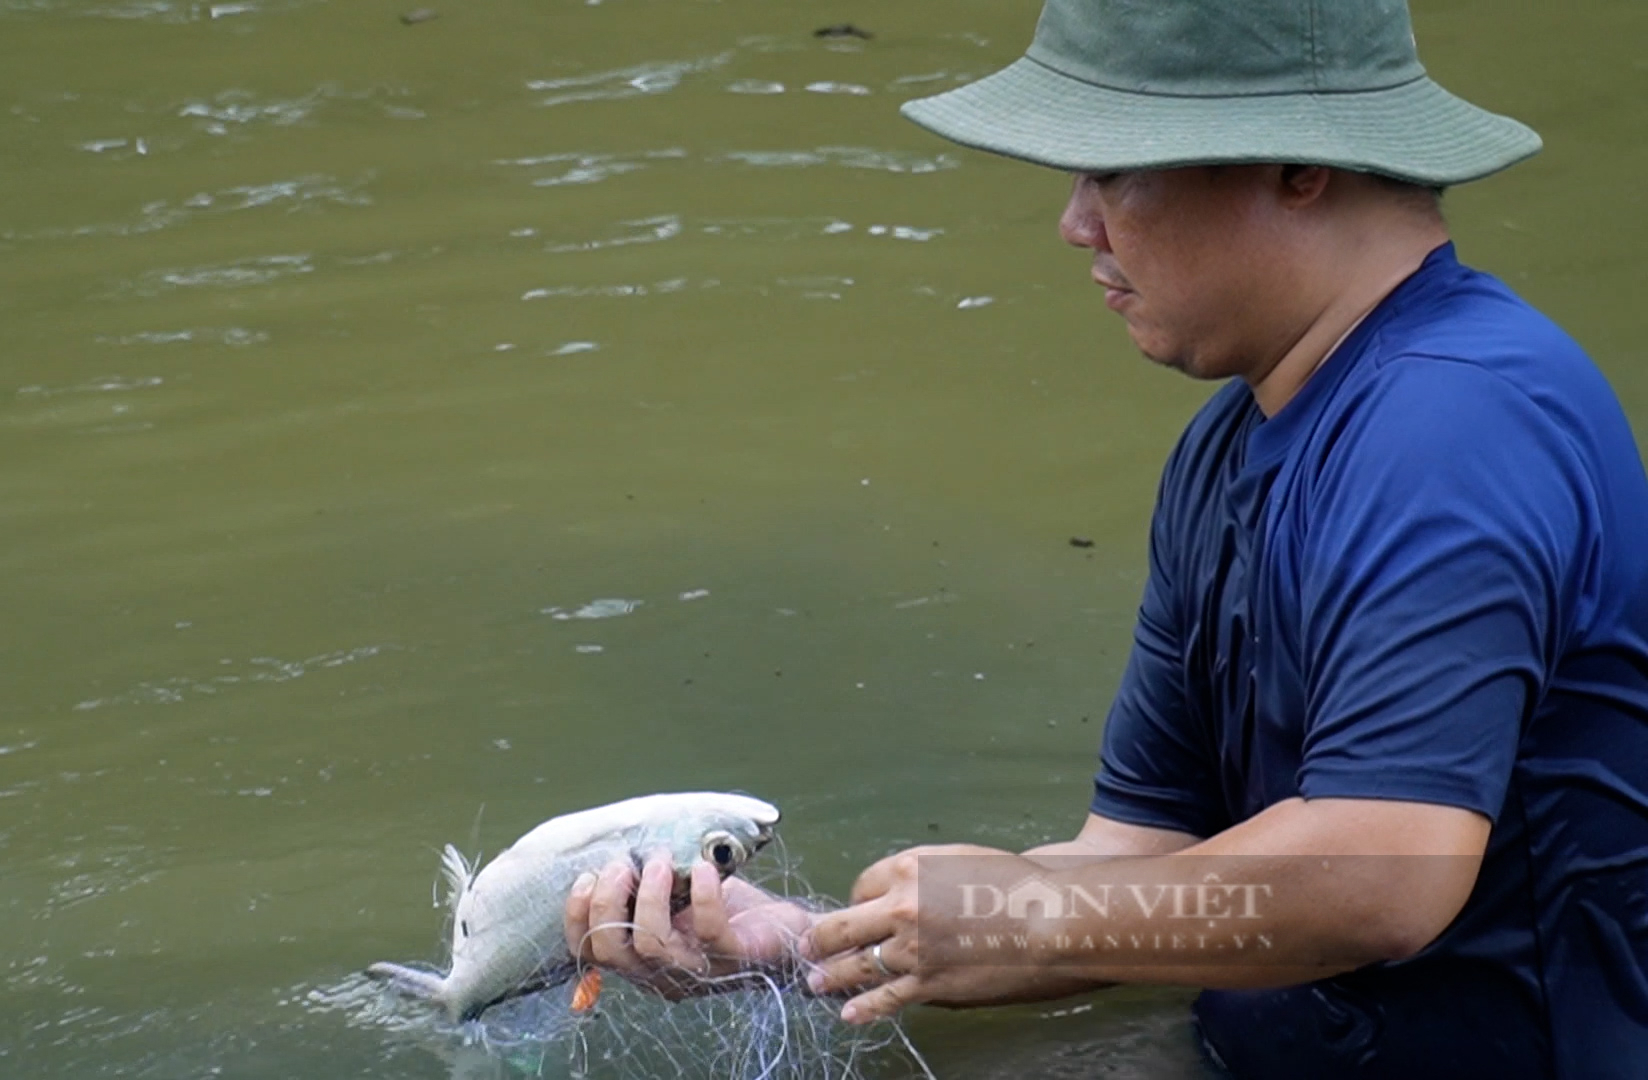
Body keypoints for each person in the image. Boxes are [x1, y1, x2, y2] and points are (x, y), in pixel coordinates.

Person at [564, 1, 1648, 1076]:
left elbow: (1387, 873)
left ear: (1298, 164)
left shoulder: (1454, 424)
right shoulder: (1234, 443)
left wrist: (1028, 915)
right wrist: (795, 942)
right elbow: (1142, 864)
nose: (1076, 224)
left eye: (1113, 171)